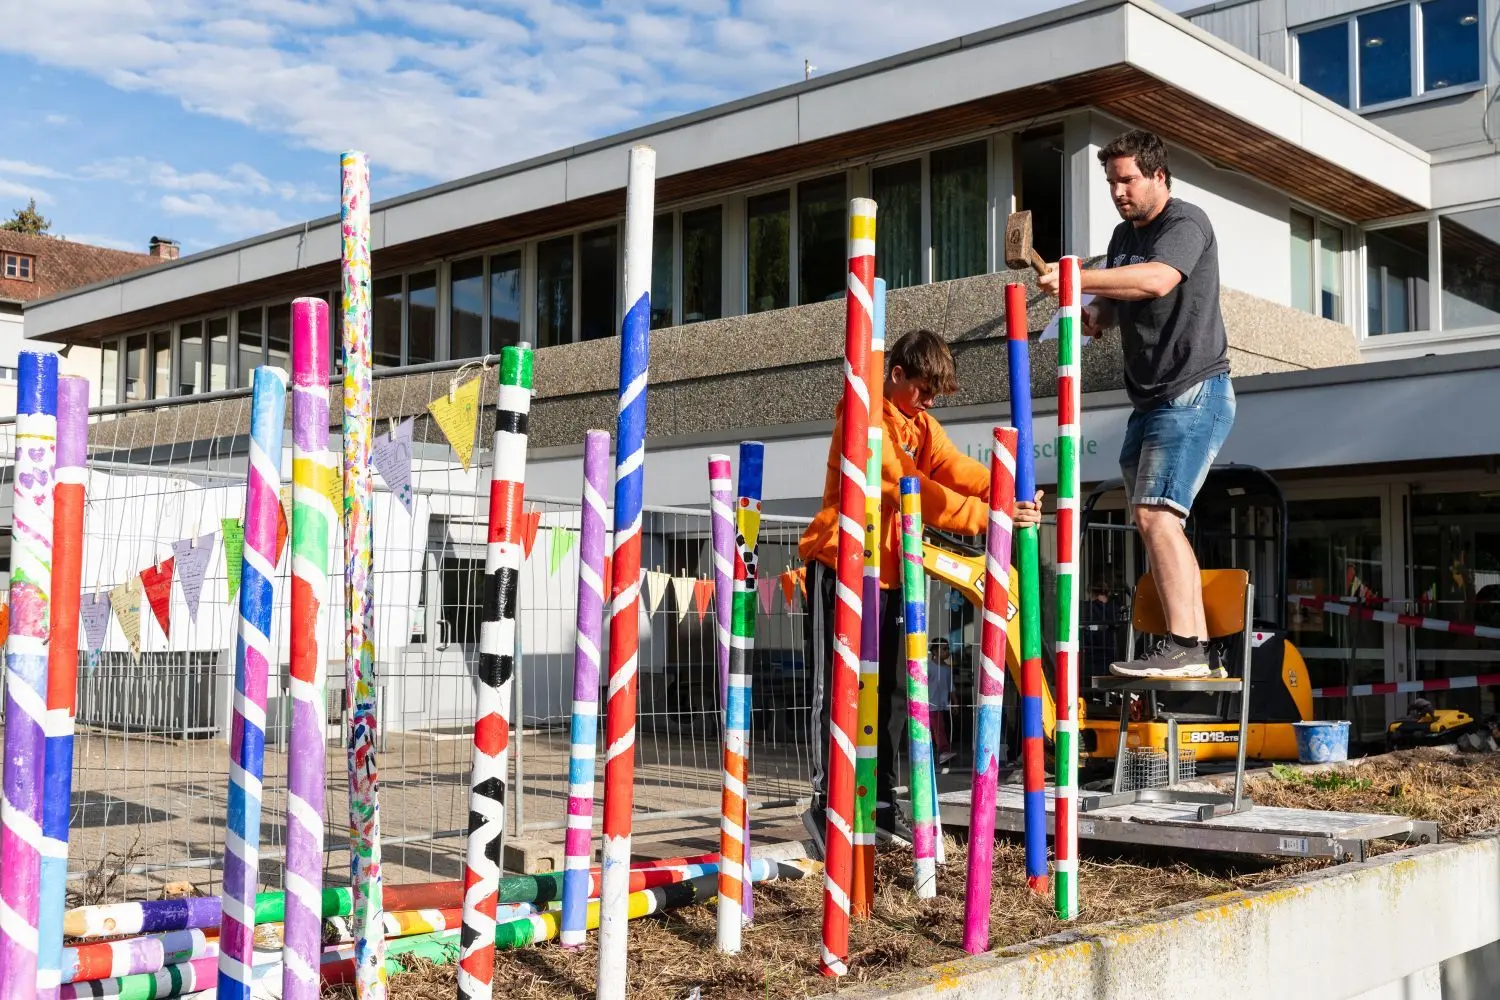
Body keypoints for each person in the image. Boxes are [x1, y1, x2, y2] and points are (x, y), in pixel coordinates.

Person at [798, 328, 1042, 855]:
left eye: (935, 395)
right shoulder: (864, 418)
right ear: (896, 374)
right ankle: (824, 802)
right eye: (923, 390)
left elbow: (954, 467)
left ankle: (881, 804)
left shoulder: (921, 426)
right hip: (841, 565)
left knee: (888, 693)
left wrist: (1009, 485)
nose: (929, 402)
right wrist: (989, 515)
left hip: (890, 575)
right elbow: (910, 488)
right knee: (836, 689)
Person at [1038, 129, 1236, 679]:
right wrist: (1090, 314)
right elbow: (1112, 301)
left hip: (1192, 391)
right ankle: (1197, 648)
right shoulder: (1124, 235)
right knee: (1155, 521)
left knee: (1156, 515)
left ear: (1158, 176)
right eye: (1110, 182)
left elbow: (1155, 280)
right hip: (1149, 400)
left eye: (1127, 180)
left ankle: (1187, 645)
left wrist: (1075, 276)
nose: (1117, 192)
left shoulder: (1186, 222)